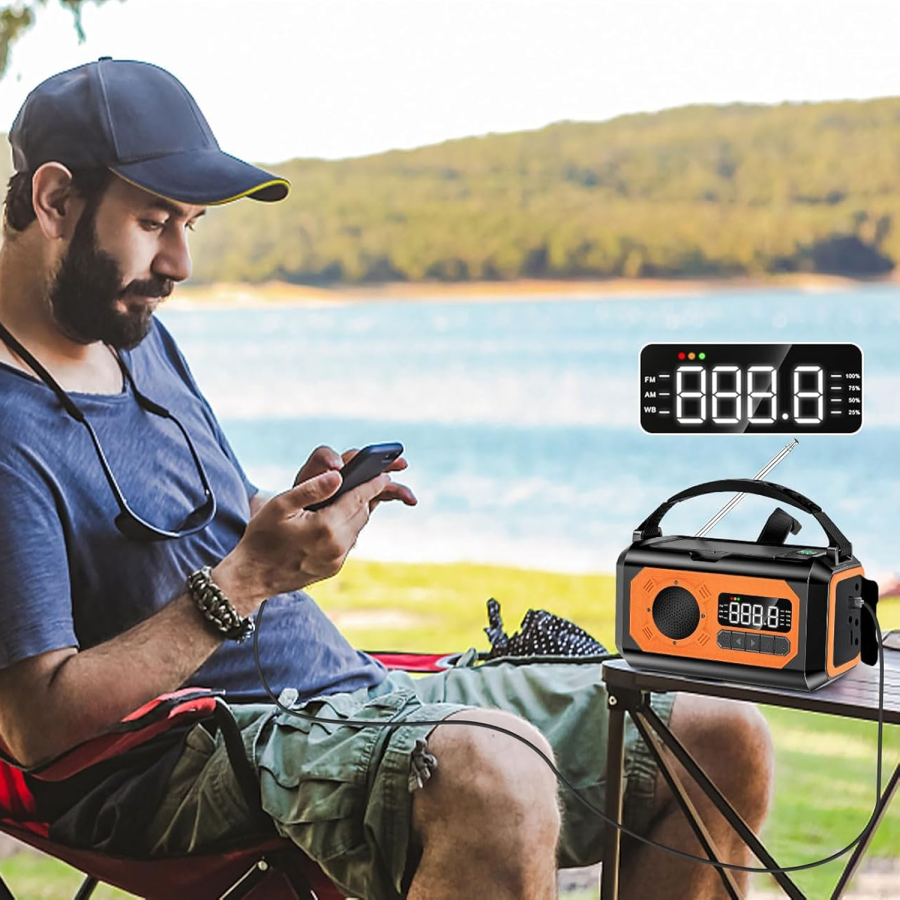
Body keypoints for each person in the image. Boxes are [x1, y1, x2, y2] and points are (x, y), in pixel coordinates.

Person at [0, 59, 773, 900]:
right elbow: (37, 725)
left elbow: (183, 530)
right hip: (178, 756)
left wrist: (284, 521)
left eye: (189, 224)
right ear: (53, 200)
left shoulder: (130, 332)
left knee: (715, 729)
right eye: (154, 222)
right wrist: (250, 579)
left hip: (342, 695)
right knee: (495, 771)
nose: (180, 261)